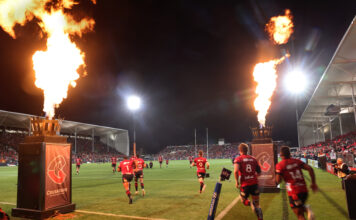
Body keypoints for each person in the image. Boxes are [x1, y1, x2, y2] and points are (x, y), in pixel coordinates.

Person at [276, 146, 318, 220]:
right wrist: (313, 183)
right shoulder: (297, 161)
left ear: (281, 155)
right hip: (304, 190)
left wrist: (278, 175)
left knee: (299, 215)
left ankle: (307, 209)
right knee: (300, 209)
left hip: (294, 192)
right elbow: (310, 168)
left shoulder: (280, 165)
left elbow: (278, 180)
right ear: (289, 154)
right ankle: (306, 208)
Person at [234, 143, 263, 220]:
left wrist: (237, 182)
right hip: (254, 184)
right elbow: (259, 172)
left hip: (245, 185)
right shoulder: (254, 159)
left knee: (243, 200)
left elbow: (236, 171)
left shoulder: (238, 159)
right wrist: (253, 177)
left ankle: (250, 204)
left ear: (240, 150)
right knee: (257, 204)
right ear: (247, 150)